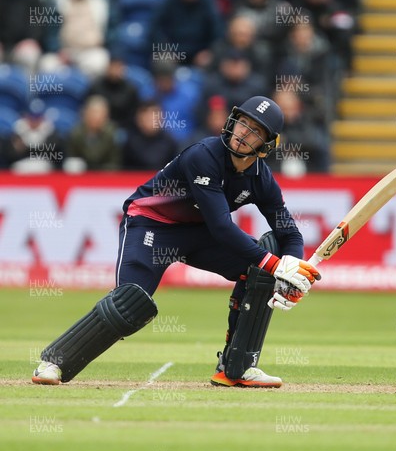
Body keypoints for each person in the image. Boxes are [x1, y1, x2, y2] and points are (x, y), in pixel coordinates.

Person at [32, 95, 321, 388]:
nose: (244, 133)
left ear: (267, 143)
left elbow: (289, 232)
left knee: (261, 270)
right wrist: (276, 266)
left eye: (255, 130)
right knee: (128, 303)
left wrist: (293, 269)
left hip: (198, 232)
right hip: (152, 225)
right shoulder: (204, 156)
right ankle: (54, 361)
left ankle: (237, 367)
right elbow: (222, 228)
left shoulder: (261, 178)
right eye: (243, 123)